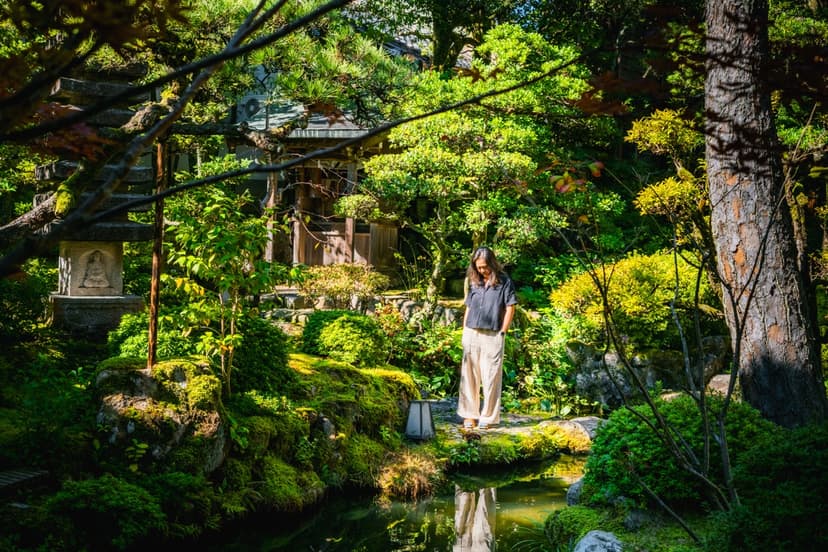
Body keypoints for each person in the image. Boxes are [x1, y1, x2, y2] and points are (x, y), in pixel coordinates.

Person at [457, 246, 517, 430]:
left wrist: (503, 332)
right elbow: (468, 306)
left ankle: (488, 417)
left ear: (492, 263)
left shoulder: (504, 281)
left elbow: (510, 307)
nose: (482, 270)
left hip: (493, 334)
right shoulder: (474, 281)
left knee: (490, 377)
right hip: (472, 332)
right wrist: (464, 331)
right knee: (469, 376)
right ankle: (469, 415)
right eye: (478, 267)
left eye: (484, 266)